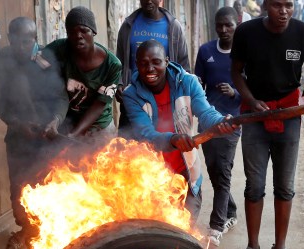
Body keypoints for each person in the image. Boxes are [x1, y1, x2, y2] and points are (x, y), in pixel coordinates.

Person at [230, 0, 304, 249]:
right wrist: (251, 99)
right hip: (255, 117)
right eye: (277, 5)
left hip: (290, 116)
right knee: (254, 185)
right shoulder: (246, 32)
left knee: (285, 186)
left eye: (289, 6)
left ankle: (280, 248)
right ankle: (253, 246)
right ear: (265, 6)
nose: (284, 12)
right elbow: (236, 72)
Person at [123, 40, 235, 228]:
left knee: (184, 233)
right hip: (151, 179)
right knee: (158, 238)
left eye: (156, 62)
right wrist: (173, 138)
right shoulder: (131, 95)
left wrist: (220, 122)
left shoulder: (188, 82)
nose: (150, 69)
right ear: (137, 65)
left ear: (166, 61)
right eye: (143, 64)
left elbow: (206, 113)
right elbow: (146, 135)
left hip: (187, 175)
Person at [0, 17, 69, 249]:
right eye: (18, 41)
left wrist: (55, 120)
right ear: (9, 39)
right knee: (20, 190)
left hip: (49, 136)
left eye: (28, 41)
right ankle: (27, 230)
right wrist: (18, 124)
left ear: (35, 39)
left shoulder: (48, 58)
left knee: (50, 187)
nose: (24, 46)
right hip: (19, 135)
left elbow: (62, 98)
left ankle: (49, 241)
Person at [194, 7, 242, 246]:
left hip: (232, 121)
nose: (224, 30)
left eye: (229, 25)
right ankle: (231, 211)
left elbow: (252, 92)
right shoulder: (206, 51)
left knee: (222, 171)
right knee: (214, 170)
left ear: (237, 24)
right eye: (220, 25)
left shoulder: (245, 54)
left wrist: (235, 93)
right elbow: (196, 85)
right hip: (207, 122)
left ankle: (216, 225)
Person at [45, 6, 121, 141]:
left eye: (84, 30)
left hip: (99, 127)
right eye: (72, 32)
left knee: (104, 160)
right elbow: (35, 70)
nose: (78, 36)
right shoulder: (58, 49)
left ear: (93, 32)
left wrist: (74, 135)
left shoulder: (112, 65)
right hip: (67, 122)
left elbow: (99, 104)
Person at [115, 0, 190, 136]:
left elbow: (183, 64)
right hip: (133, 98)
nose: (148, 1)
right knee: (127, 148)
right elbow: (119, 62)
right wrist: (119, 83)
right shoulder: (128, 26)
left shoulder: (173, 27)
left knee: (162, 146)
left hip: (164, 101)